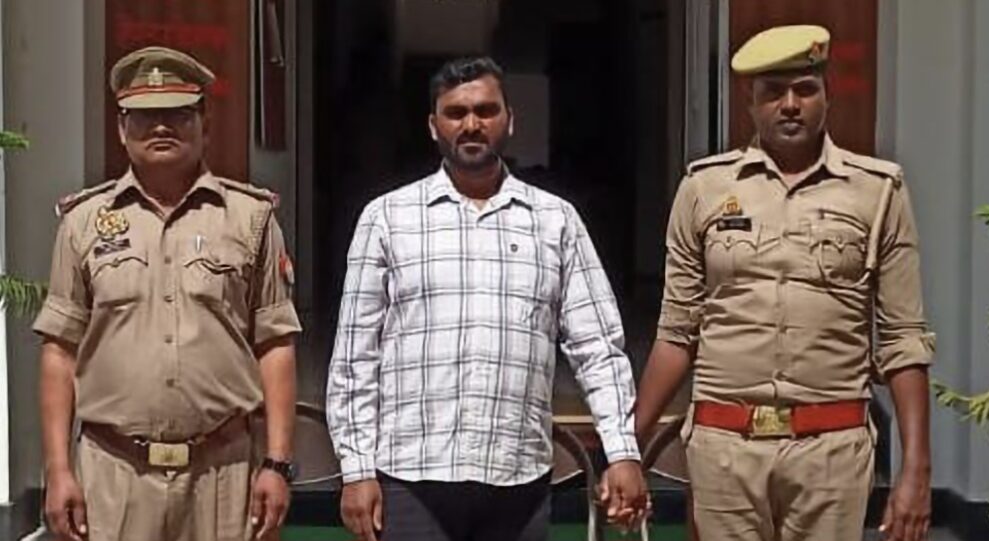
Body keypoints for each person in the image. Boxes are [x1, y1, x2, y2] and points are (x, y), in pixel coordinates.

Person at [326, 56, 648, 541]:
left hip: (517, 476)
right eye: (456, 113)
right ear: (433, 126)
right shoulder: (387, 218)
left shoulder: (555, 221)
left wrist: (621, 451)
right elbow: (355, 355)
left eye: (485, 110)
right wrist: (355, 469)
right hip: (411, 477)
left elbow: (597, 347)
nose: (472, 124)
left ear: (509, 120)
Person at [632, 25, 934, 541]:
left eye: (804, 90)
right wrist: (628, 448)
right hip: (725, 449)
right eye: (773, 92)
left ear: (827, 96)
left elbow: (904, 338)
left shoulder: (878, 192)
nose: (790, 105)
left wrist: (916, 470)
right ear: (750, 104)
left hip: (831, 452)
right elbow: (677, 331)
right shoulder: (704, 189)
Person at [34, 46, 301, 541]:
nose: (161, 126)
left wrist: (277, 463)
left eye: (178, 113)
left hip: (223, 474)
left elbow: (275, 343)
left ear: (204, 122)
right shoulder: (83, 224)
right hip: (114, 473)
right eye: (144, 115)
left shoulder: (250, 219)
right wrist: (58, 468)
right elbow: (60, 350)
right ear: (122, 128)